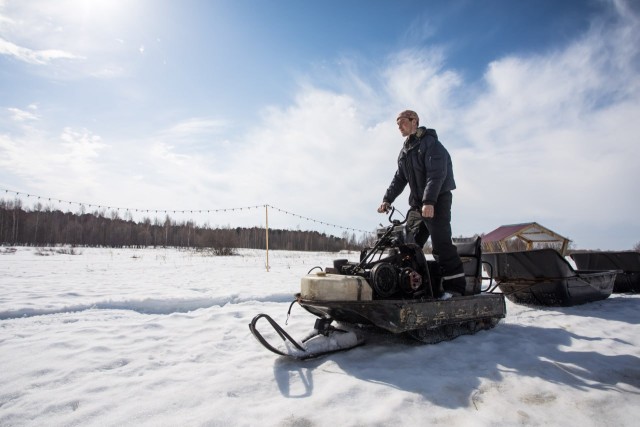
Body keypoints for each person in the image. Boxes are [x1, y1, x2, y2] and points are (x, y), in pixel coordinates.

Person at [377, 110, 466, 296]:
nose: (399, 127)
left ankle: (455, 290)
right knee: (408, 246)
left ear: (414, 121)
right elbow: (399, 178)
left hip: (437, 200)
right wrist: (387, 199)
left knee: (441, 245)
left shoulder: (430, 144)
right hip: (418, 205)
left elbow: (436, 175)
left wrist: (429, 201)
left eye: (402, 122)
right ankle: (409, 286)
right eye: (397, 124)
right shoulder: (405, 150)